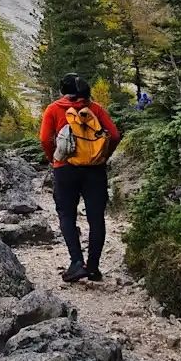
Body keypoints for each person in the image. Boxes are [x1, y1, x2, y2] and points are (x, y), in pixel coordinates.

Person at [39, 74, 121, 283]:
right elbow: (115, 135)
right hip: (94, 170)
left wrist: (53, 159)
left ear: (62, 90)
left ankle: (77, 262)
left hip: (65, 169)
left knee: (67, 215)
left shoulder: (54, 109)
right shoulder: (96, 109)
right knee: (96, 218)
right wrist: (102, 156)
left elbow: (44, 139)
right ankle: (93, 267)